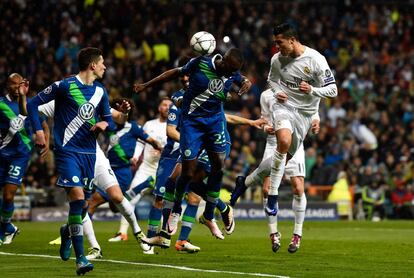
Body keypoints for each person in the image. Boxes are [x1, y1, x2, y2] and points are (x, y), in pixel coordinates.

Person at [134, 48, 251, 236]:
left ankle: (208, 216)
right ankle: (177, 212)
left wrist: (246, 81)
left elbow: (237, 87)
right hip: (193, 128)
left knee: (216, 169)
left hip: (213, 128)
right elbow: (173, 76)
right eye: (230, 70)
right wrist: (147, 85)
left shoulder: (230, 72)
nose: (232, 74)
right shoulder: (189, 80)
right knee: (187, 177)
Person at [27, 47, 115, 275]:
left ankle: (67, 231)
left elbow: (109, 120)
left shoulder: (100, 91)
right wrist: (39, 131)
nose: (105, 66)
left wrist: (105, 124)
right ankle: (81, 259)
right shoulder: (64, 86)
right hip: (67, 151)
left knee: (82, 206)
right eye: (102, 62)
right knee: (77, 200)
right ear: (92, 65)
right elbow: (32, 104)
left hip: (89, 154)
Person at [264, 23, 337, 252]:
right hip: (284, 108)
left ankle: (297, 234)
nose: (277, 47)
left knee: (296, 180)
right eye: (276, 42)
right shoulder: (277, 60)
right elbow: (272, 80)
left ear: (292, 40)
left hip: (304, 116)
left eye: (280, 42)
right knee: (282, 141)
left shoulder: (316, 60)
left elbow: (333, 90)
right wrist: (277, 92)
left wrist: (313, 91)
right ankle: (273, 196)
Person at [230, 88, 320, 253]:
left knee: (298, 187)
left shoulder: (297, 86)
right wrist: (266, 128)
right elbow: (264, 120)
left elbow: (312, 107)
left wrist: (316, 120)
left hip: (295, 141)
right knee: (266, 189)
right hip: (273, 141)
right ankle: (274, 233)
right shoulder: (266, 95)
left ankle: (297, 235)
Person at [108, 97, 170, 248]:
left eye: (170, 105)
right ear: (159, 108)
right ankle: (122, 233)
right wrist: (136, 156)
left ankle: (158, 235)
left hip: (164, 169)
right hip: (146, 167)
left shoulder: (175, 126)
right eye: (164, 104)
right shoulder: (150, 124)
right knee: (130, 198)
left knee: (161, 201)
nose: (167, 107)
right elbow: (141, 142)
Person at [0, 73, 47, 245]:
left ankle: (3, 229)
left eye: (19, 84)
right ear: (7, 85)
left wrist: (46, 141)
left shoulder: (29, 104)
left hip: (20, 155)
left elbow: (43, 125)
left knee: (8, 195)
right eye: (13, 84)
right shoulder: (1, 104)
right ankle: (9, 227)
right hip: (2, 153)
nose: (16, 87)